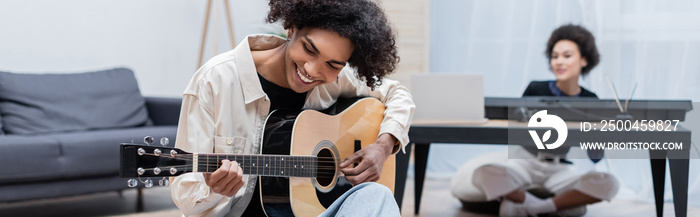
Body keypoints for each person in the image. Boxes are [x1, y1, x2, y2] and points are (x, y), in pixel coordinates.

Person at [170, 0, 415, 216]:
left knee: (377, 195)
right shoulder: (214, 81)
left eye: (332, 64)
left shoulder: (338, 80)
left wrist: (383, 146)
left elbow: (397, 94)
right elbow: (185, 195)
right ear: (292, 28)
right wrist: (213, 190)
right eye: (309, 49)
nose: (312, 70)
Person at [450, 24, 619, 217]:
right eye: (554, 56)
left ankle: (533, 208)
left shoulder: (591, 100)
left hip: (559, 168)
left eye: (566, 55)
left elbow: (595, 157)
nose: (559, 62)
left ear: (584, 60)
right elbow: (517, 127)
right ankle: (543, 205)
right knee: (482, 173)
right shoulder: (535, 89)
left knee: (609, 183)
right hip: (526, 162)